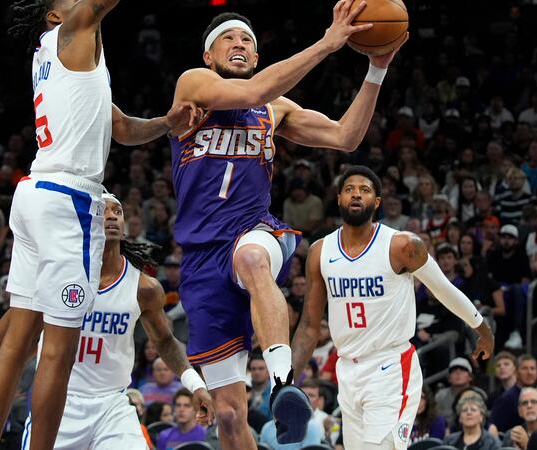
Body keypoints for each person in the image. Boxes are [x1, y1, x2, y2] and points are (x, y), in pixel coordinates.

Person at [167, 5, 409, 447]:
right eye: (229, 38)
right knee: (229, 415)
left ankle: (282, 384)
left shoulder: (273, 109)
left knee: (252, 258)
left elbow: (345, 137)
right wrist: (327, 43)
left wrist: (376, 69)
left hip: (254, 230)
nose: (239, 44)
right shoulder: (193, 84)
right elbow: (252, 91)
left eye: (247, 41)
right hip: (201, 259)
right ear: (208, 56)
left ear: (257, 57)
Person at [0, 0, 201, 447]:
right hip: (68, 196)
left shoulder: (62, 58)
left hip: (34, 191)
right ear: (55, 15)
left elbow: (121, 128)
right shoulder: (74, 30)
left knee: (18, 341)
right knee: (58, 353)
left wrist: (167, 123)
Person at [0, 193, 214, 450]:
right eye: (103, 211)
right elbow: (11, 330)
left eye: (117, 211)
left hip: (113, 405)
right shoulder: (58, 276)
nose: (111, 216)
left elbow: (165, 342)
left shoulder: (144, 287)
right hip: (60, 401)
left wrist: (195, 384)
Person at [292, 166, 494, 449]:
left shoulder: (402, 245)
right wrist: (285, 381)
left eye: (364, 190)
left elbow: (443, 289)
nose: (356, 194)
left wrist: (481, 328)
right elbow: (308, 325)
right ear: (338, 199)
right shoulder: (320, 251)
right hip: (347, 368)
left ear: (377, 202)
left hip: (390, 367)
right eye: (349, 189)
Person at [490, 354, 537, 432]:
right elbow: (496, 429)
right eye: (524, 368)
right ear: (516, 372)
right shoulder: (506, 399)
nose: (529, 372)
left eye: (532, 368)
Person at [435, 358, 475, 424]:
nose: (458, 372)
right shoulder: (440, 396)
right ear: (449, 378)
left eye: (462, 370)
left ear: (470, 377)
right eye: (454, 371)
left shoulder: (479, 394)